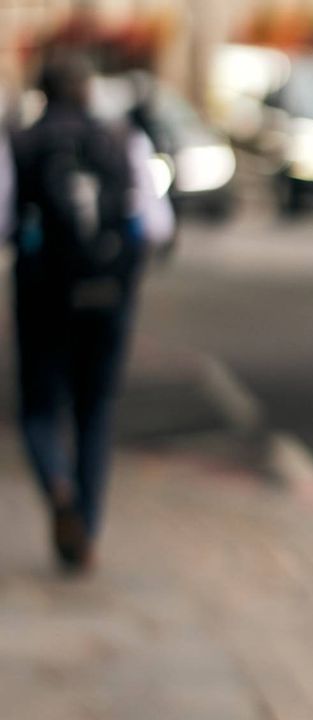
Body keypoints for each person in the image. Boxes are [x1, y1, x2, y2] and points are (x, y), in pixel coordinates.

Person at [9, 50, 148, 573]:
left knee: (40, 408)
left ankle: (58, 487)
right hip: (107, 296)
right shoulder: (122, 139)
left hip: (43, 295)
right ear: (88, 89)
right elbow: (152, 222)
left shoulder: (21, 141)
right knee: (95, 410)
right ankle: (85, 531)